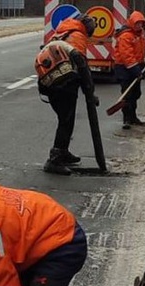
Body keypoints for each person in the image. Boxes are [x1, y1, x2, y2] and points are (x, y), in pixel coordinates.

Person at [37, 14, 99, 176]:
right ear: (87, 28)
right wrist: (90, 93)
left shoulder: (63, 32)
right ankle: (54, 160)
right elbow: (82, 66)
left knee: (66, 119)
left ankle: (63, 151)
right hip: (62, 84)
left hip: (50, 83)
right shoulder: (78, 36)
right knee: (65, 121)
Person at [113, 11, 145, 129]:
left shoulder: (141, 33)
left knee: (136, 93)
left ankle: (133, 117)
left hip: (137, 66)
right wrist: (137, 71)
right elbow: (127, 56)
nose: (139, 26)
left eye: (141, 23)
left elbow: (143, 46)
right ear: (132, 23)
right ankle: (127, 119)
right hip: (124, 68)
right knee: (127, 94)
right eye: (137, 23)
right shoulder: (125, 36)